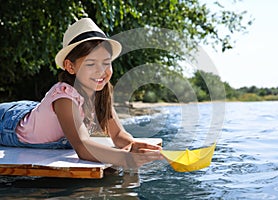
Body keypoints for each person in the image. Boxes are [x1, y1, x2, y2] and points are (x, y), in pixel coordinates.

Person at [0, 18, 163, 169]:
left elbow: (118, 134)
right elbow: (82, 146)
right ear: (70, 67)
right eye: (90, 64)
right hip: (9, 125)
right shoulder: (64, 99)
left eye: (106, 63)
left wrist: (132, 144)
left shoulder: (102, 92)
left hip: (37, 113)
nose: (101, 71)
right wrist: (124, 158)